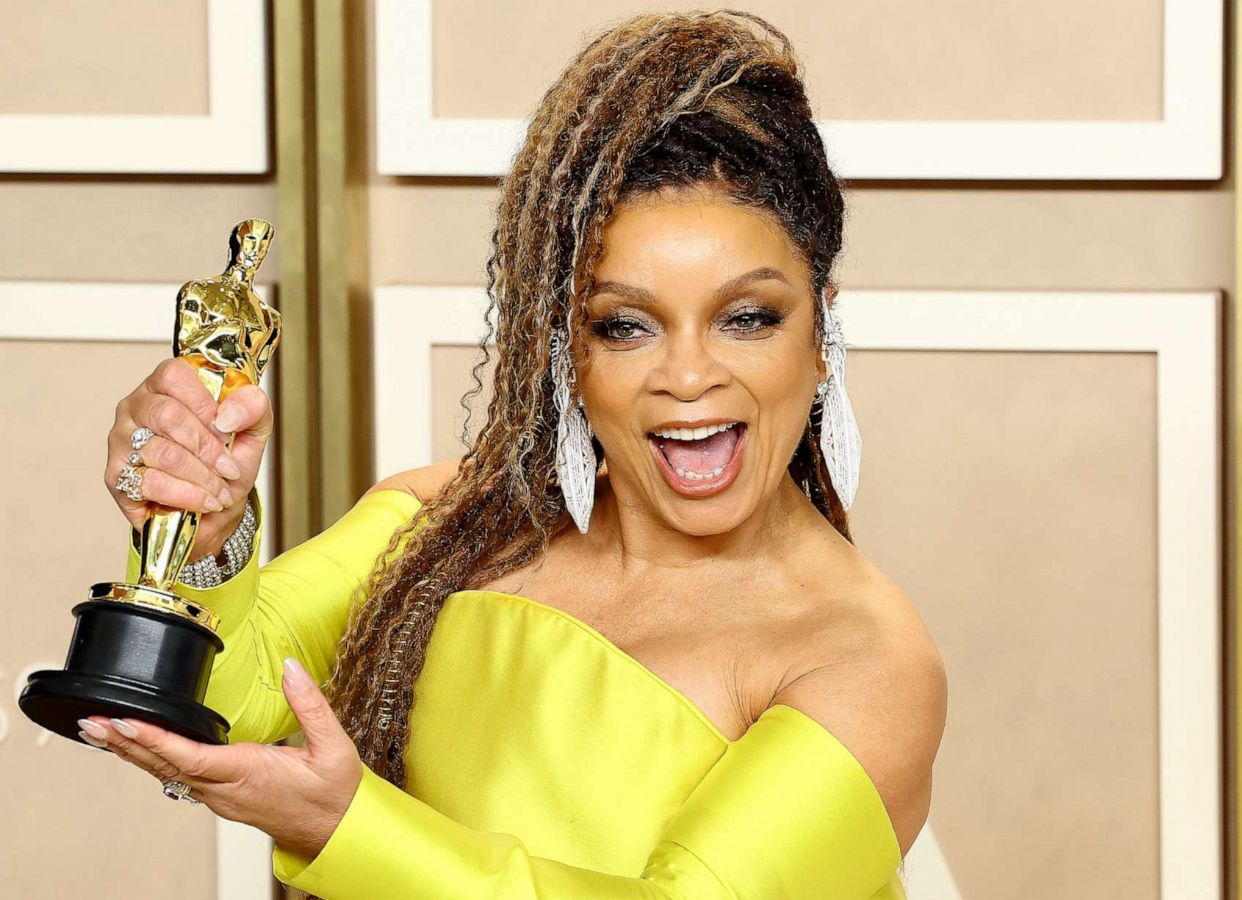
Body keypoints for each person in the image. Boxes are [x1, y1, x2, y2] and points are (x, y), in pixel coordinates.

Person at [74, 10, 945, 898]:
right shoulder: (448, 526)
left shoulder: (863, 661)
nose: (688, 375)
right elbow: (235, 691)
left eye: (747, 317)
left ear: (823, 328)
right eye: (624, 326)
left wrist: (350, 831)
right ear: (565, 347)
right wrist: (202, 528)